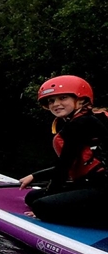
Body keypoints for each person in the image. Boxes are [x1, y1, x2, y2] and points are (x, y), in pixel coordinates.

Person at [18, 75, 108, 228]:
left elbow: (64, 167)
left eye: (63, 98)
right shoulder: (84, 119)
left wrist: (46, 208)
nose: (55, 104)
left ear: (81, 100)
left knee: (41, 206)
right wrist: (35, 176)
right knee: (33, 197)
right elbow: (75, 162)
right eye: (51, 101)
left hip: (103, 187)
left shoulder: (81, 123)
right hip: (93, 184)